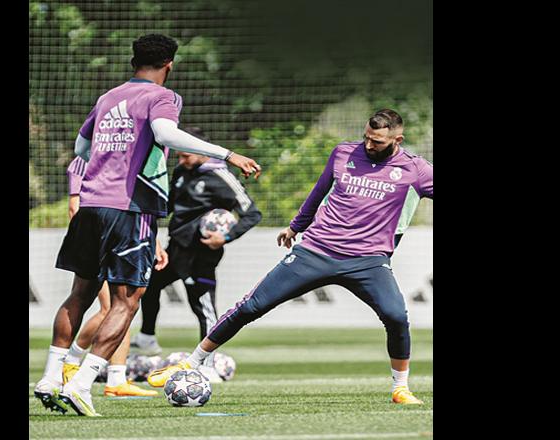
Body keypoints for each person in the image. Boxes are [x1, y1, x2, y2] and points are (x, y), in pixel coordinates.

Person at [33, 33, 261, 417]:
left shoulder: (108, 97)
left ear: (133, 60)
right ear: (169, 64)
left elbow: (81, 149)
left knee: (80, 294)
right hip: (128, 208)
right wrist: (227, 153)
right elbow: (165, 134)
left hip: (92, 205)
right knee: (127, 300)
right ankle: (82, 384)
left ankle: (51, 377)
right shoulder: (163, 97)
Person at [147, 109, 432, 405]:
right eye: (367, 138)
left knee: (397, 317)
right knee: (251, 306)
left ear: (398, 139)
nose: (369, 146)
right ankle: (191, 362)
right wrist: (296, 226)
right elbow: (319, 192)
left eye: (378, 142)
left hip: (368, 260)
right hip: (316, 250)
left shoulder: (415, 169)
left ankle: (400, 387)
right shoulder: (343, 154)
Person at [130, 127, 262, 382]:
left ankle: (209, 365)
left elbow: (252, 213)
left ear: (201, 150)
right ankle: (147, 337)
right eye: (178, 156)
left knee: (203, 307)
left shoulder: (221, 177)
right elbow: (168, 206)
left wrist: (224, 237)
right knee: (150, 284)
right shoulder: (182, 172)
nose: (181, 161)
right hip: (176, 248)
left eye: (185, 156)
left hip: (200, 254)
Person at [58, 156, 161, 398]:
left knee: (121, 308)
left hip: (121, 235)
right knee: (108, 309)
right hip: (97, 240)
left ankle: (116, 378)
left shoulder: (120, 156)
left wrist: (151, 241)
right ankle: (71, 362)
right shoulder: (84, 159)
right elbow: (75, 207)